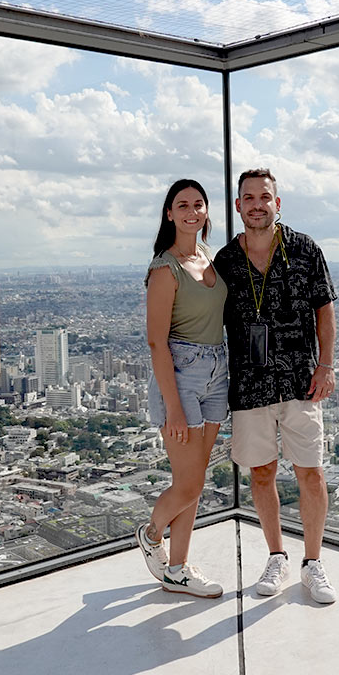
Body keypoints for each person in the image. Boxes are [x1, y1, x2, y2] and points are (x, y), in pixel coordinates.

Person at [214, 168, 338, 604]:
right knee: (262, 473)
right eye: (248, 198)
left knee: (311, 472)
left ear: (277, 203)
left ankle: (313, 562)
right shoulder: (226, 261)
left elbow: (324, 310)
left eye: (264, 197)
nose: (257, 205)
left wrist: (326, 365)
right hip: (250, 385)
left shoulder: (305, 249)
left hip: (301, 380)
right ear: (238, 206)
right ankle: (276, 555)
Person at [135, 178, 229, 598]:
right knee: (188, 484)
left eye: (198, 204)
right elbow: (157, 342)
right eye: (183, 205)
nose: (192, 211)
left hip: (216, 371)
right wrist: (172, 406)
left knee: (195, 480)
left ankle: (177, 569)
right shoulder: (165, 268)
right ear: (169, 214)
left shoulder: (207, 258)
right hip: (182, 376)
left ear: (206, 212)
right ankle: (152, 533)